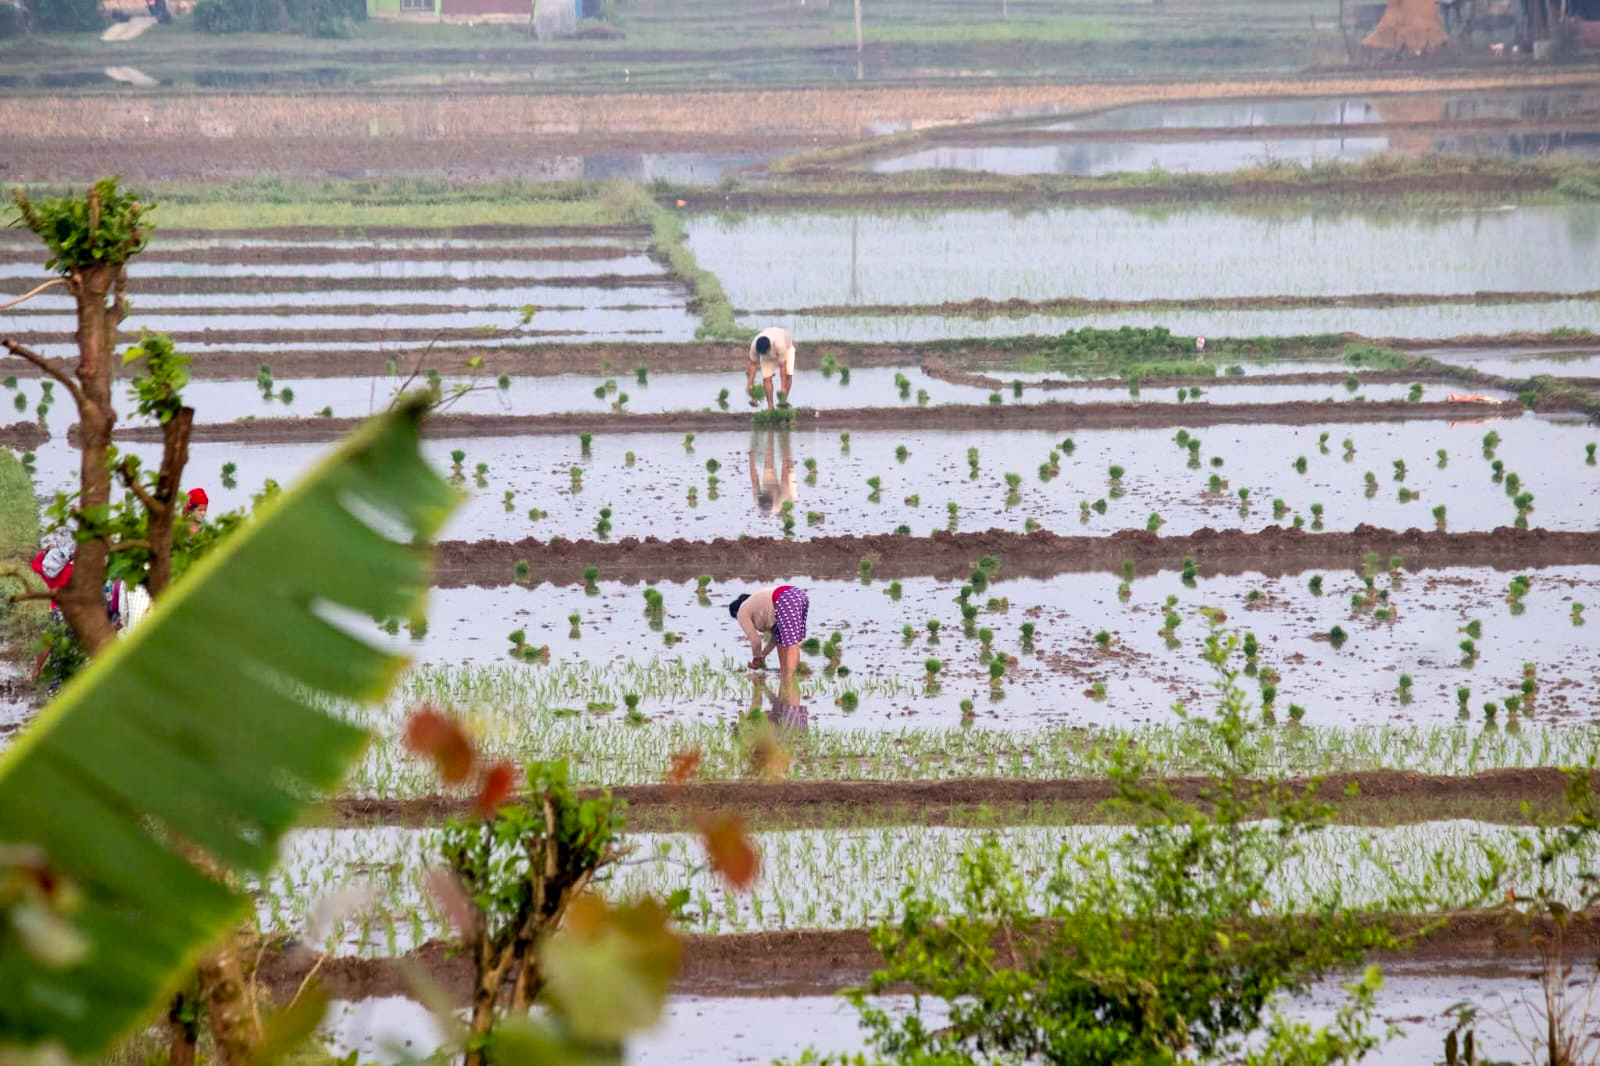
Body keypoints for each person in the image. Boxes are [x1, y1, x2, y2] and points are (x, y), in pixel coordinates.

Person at [728, 584, 809, 691]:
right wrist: (763, 655)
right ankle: (785, 680)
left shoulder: (741, 612)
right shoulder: (764, 609)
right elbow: (775, 638)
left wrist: (756, 659)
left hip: (785, 597)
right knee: (782, 640)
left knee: (791, 643)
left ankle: (790, 681)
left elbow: (755, 640)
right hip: (799, 595)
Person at [746, 327, 797, 412]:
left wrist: (783, 387)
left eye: (764, 353)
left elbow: (782, 366)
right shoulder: (754, 345)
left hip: (787, 349)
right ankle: (770, 407)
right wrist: (750, 385)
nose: (763, 354)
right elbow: (753, 364)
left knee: (788, 374)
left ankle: (783, 401)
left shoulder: (780, 344)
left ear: (769, 348)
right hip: (768, 356)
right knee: (766, 378)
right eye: (761, 354)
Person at [748, 429, 797, 517]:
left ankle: (771, 429)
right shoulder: (782, 500)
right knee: (788, 460)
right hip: (787, 493)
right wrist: (786, 460)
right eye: (767, 493)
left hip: (774, 490)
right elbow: (785, 475)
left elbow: (754, 478)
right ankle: (784, 433)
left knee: (768, 458)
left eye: (765, 493)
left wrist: (751, 456)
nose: (766, 492)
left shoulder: (757, 499)